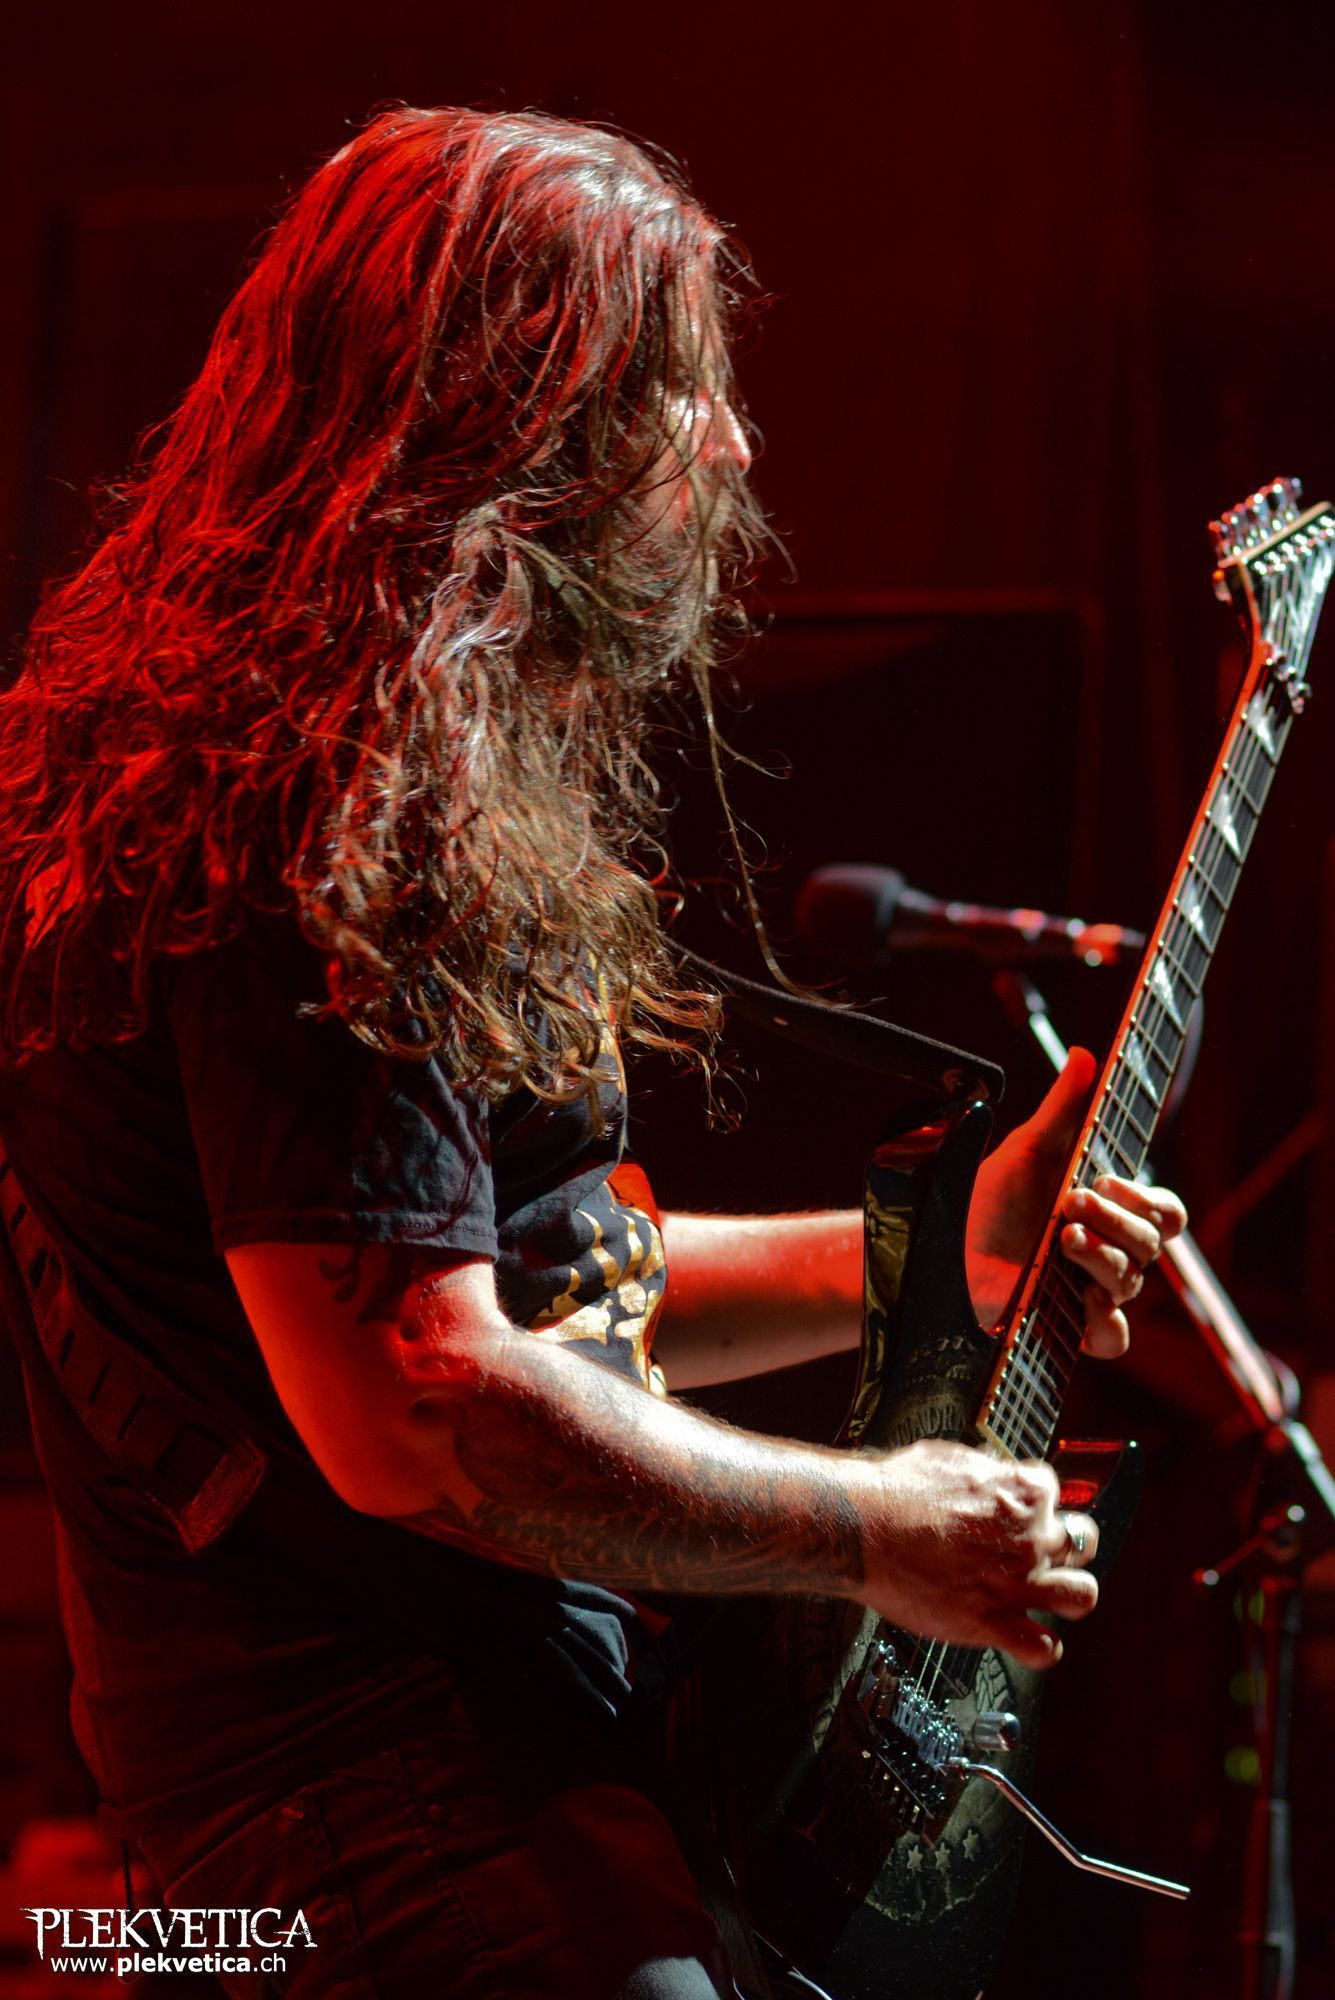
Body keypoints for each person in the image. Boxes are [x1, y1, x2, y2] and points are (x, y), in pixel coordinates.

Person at [0, 106, 1184, 2000]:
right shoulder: (335, 788)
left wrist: (934, 1255)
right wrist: (871, 1529)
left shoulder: (319, 748)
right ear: (519, 421)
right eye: (677, 387)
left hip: (398, 1803)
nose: (732, 443)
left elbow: (539, 1298)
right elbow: (419, 1402)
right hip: (387, 1822)